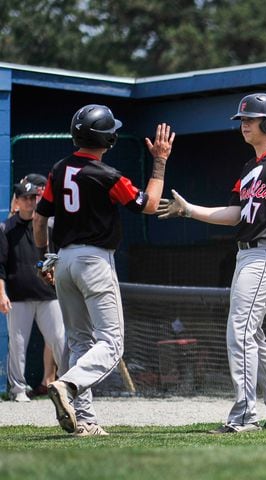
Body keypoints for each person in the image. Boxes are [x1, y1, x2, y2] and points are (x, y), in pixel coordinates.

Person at [157, 93, 266, 433]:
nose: (244, 123)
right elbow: (234, 215)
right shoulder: (250, 168)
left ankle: (245, 416)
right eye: (242, 119)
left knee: (240, 332)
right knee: (251, 334)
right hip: (247, 253)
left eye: (251, 118)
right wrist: (190, 210)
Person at [33, 104, 174, 436]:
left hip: (63, 260)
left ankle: (85, 420)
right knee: (112, 343)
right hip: (94, 261)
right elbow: (150, 205)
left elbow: (40, 220)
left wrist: (44, 258)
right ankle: (68, 384)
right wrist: (160, 161)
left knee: (80, 341)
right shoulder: (107, 175)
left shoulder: (58, 168)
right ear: (108, 138)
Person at [0, 179, 66, 402]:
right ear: (17, 201)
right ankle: (18, 390)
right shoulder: (6, 229)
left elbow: (60, 256)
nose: (30, 202)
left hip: (49, 295)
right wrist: (2, 293)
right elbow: (0, 265)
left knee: (59, 339)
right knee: (17, 344)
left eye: (33, 198)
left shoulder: (49, 225)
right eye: (25, 198)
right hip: (18, 296)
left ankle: (69, 383)